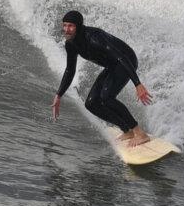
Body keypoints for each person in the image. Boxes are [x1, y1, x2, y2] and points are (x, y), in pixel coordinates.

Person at [50, 10, 153, 147]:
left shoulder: (94, 37)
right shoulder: (71, 44)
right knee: (91, 103)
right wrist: (58, 95)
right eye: (65, 25)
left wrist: (138, 84)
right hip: (112, 65)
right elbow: (70, 70)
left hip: (126, 60)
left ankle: (140, 133)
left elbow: (120, 57)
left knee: (106, 97)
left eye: (70, 26)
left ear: (79, 26)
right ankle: (126, 130)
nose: (66, 30)